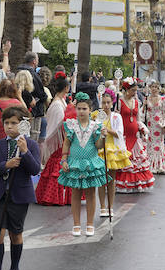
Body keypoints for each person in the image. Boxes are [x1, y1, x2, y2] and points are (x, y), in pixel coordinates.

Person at [0, 106, 42, 270]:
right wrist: (5, 165)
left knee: (15, 233)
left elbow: (35, 169)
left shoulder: (30, 144)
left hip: (19, 195)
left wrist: (24, 152)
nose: (9, 127)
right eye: (7, 123)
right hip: (0, 194)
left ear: (23, 124)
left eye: (14, 123)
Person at [58, 93, 108, 237]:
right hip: (75, 163)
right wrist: (64, 160)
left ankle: (90, 224)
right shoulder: (71, 125)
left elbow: (98, 146)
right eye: (79, 108)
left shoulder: (95, 126)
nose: (81, 111)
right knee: (75, 193)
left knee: (91, 193)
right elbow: (66, 143)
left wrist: (103, 136)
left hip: (91, 163)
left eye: (84, 109)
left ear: (90, 110)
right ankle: (76, 224)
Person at [35, 76, 72, 207]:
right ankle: (53, 196)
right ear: (66, 88)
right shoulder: (57, 104)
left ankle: (61, 196)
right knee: (57, 163)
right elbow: (57, 125)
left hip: (62, 139)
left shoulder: (60, 101)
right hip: (58, 140)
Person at [115, 78, 154, 194]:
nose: (135, 93)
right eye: (133, 90)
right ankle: (123, 184)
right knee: (125, 161)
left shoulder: (137, 102)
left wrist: (142, 128)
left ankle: (137, 184)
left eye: (136, 90)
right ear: (126, 90)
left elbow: (138, 119)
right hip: (124, 136)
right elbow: (116, 119)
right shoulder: (119, 102)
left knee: (137, 161)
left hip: (135, 136)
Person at [95, 88, 129, 219]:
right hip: (100, 148)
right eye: (104, 102)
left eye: (108, 102)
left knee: (111, 180)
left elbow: (119, 133)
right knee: (101, 180)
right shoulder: (97, 116)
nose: (106, 105)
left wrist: (107, 130)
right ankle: (102, 207)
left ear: (112, 102)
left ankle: (110, 206)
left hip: (112, 149)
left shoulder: (117, 116)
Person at [146, 83, 165, 174]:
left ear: (159, 89)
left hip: (159, 125)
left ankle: (160, 165)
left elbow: (164, 113)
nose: (154, 89)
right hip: (150, 124)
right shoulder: (147, 99)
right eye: (152, 87)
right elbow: (144, 112)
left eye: (156, 87)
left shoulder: (162, 99)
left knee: (159, 145)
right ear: (150, 88)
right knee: (150, 144)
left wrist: (164, 125)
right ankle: (150, 164)